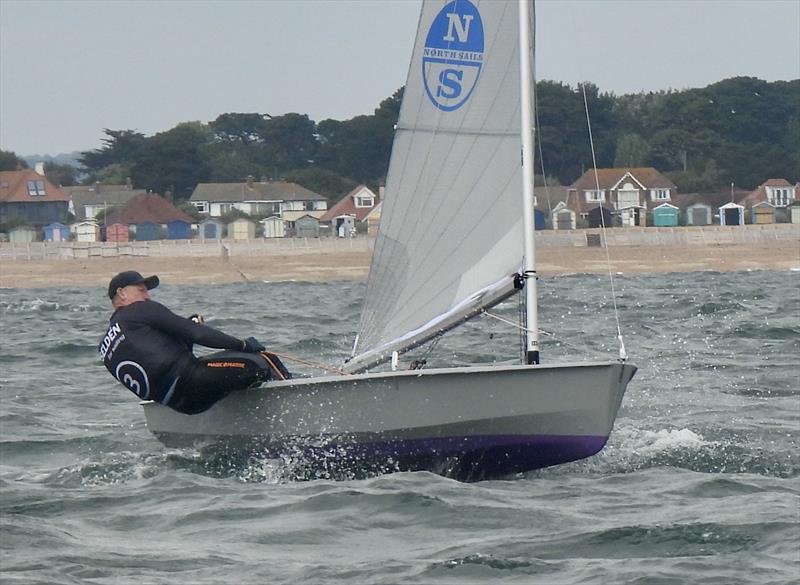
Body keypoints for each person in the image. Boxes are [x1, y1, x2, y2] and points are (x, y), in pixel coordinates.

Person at [99, 270, 287, 415]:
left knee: (228, 372)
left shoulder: (105, 347)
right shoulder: (140, 310)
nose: (148, 296)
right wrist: (242, 345)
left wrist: (186, 337)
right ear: (122, 293)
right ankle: (298, 400)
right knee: (262, 360)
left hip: (183, 406)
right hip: (195, 381)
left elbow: (160, 363)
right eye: (141, 290)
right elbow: (197, 334)